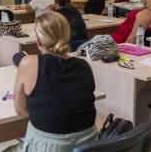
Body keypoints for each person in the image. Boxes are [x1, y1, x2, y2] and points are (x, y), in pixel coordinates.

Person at [6, 11, 97, 152]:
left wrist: (45, 118)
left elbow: (21, 110)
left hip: (50, 146)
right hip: (90, 143)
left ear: (38, 41)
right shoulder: (84, 65)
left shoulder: (29, 63)